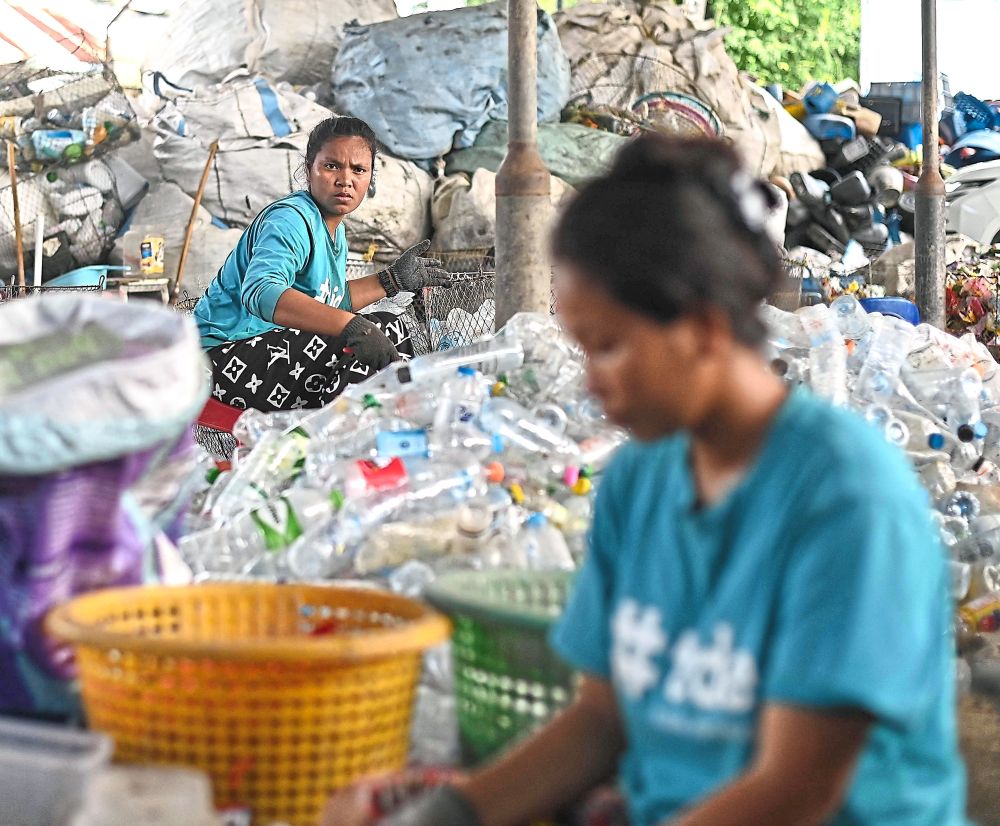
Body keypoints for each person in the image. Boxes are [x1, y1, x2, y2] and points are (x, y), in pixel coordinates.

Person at [321, 136, 966, 825]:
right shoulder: (642, 479)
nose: (591, 381)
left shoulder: (845, 501)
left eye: (610, 346)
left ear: (704, 327)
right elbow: (603, 719)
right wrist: (453, 810)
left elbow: (797, 791)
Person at [194, 116, 449, 412]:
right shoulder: (290, 219)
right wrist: (352, 326)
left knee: (390, 329)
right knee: (359, 347)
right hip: (219, 359)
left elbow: (329, 302)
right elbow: (260, 292)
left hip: (267, 349)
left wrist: (390, 281)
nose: (345, 179)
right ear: (308, 169)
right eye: (331, 166)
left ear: (369, 179)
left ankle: (380, 440)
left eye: (358, 169)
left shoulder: (334, 230)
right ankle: (334, 447)